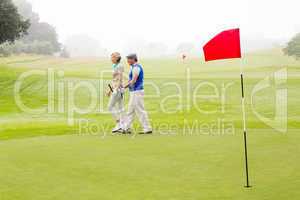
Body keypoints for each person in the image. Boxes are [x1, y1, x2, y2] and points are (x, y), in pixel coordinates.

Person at [122, 54, 152, 134]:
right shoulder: (133, 67)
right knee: (130, 110)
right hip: (134, 92)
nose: (127, 61)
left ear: (134, 59)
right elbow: (130, 80)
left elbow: (133, 80)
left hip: (137, 92)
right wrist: (123, 86)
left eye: (129, 59)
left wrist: (124, 87)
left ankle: (147, 128)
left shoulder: (136, 68)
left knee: (140, 110)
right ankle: (126, 128)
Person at [107, 52, 125, 133]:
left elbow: (120, 78)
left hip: (118, 89)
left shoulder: (120, 66)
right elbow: (114, 79)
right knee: (120, 107)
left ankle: (118, 124)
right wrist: (109, 90)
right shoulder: (115, 66)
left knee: (110, 107)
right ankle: (123, 125)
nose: (111, 59)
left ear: (116, 58)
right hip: (116, 88)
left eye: (112, 57)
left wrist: (116, 89)